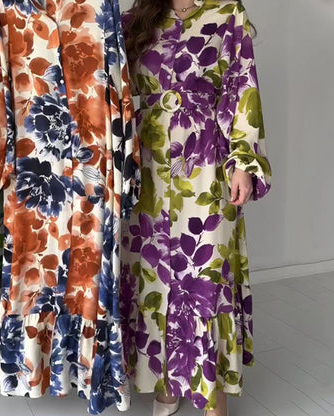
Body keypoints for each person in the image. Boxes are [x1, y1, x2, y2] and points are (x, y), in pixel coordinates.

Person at [120, 1, 271, 415]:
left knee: (208, 276)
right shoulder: (136, 19)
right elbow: (115, 91)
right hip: (147, 167)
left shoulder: (226, 13)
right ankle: (168, 380)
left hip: (205, 165)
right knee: (153, 277)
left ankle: (213, 392)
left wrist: (243, 162)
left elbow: (243, 89)